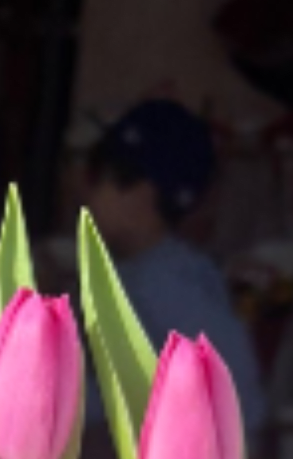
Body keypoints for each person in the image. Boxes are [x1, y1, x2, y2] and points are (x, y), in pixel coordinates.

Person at [84, 99, 266, 436]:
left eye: (101, 181)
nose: (88, 194)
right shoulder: (143, 272)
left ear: (142, 194)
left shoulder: (167, 282)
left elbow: (228, 390)